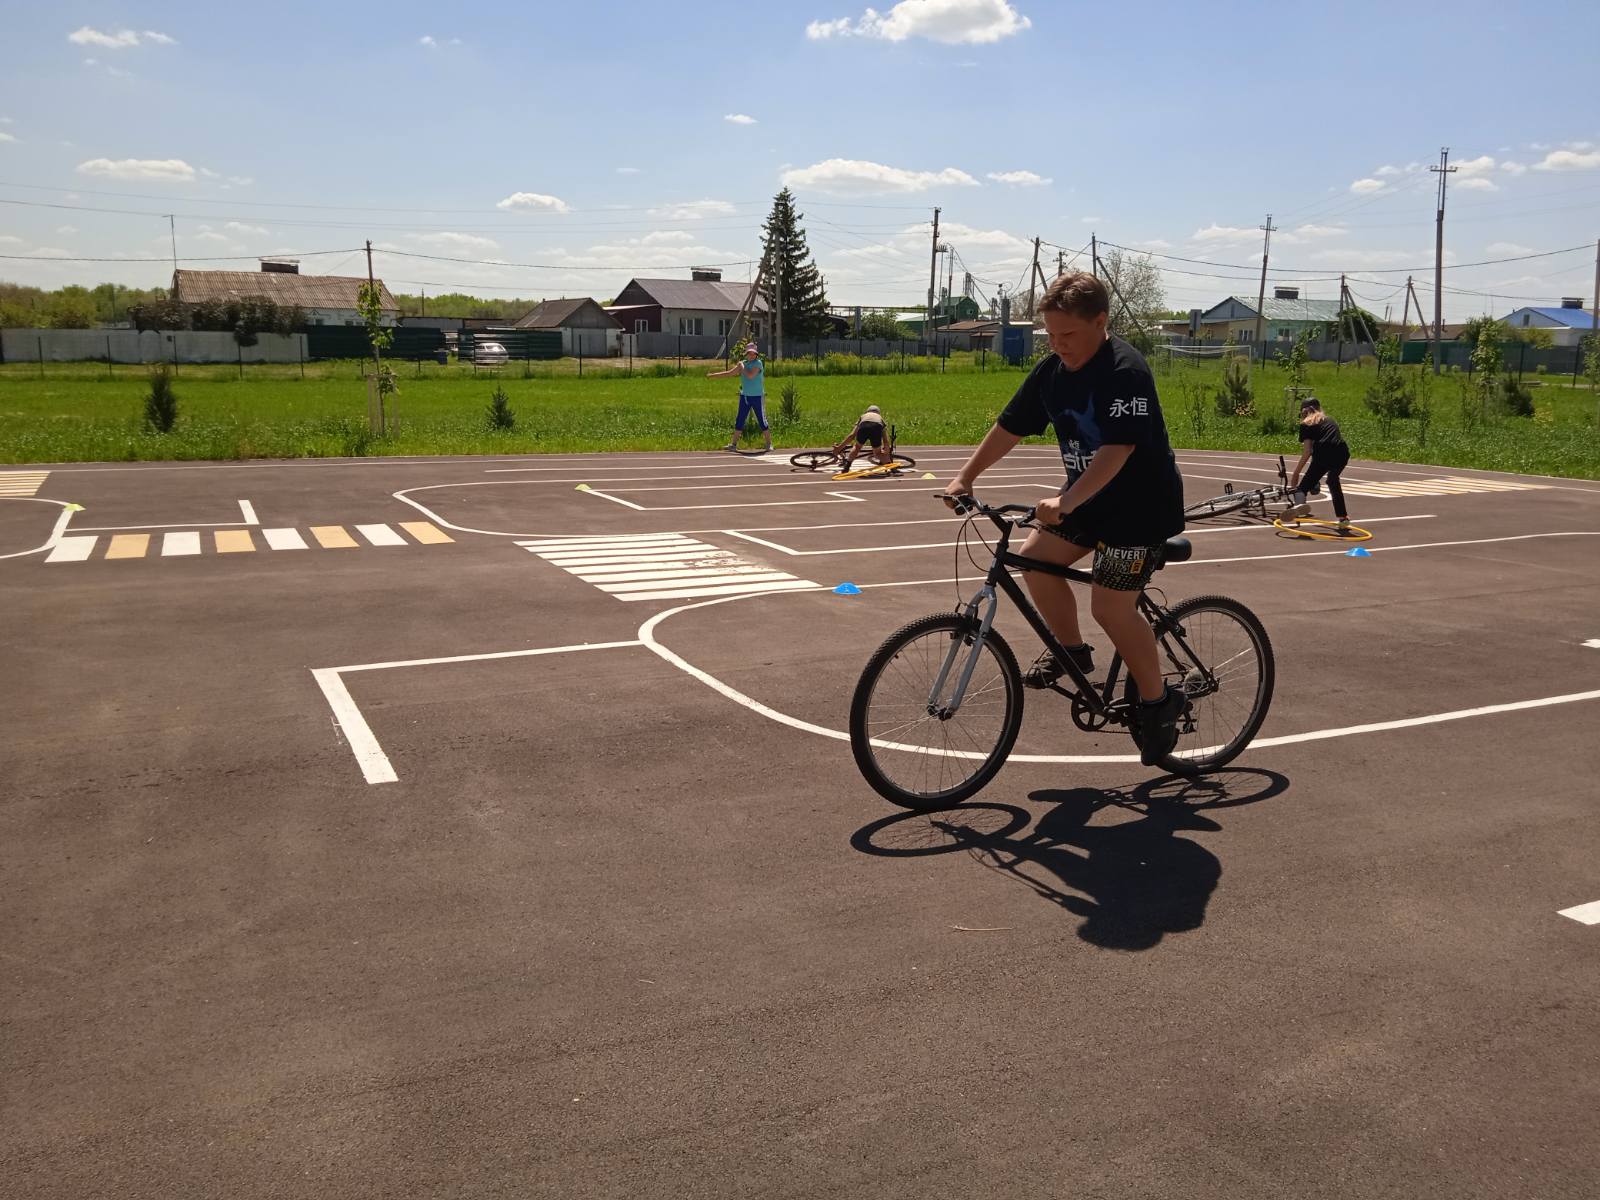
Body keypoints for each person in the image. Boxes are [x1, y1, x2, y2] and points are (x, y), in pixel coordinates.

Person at [942, 272, 1187, 767]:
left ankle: (1159, 702)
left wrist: (1067, 500)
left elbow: (1117, 449)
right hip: (1087, 503)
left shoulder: (1125, 371)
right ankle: (1072, 651)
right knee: (1034, 560)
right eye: (1050, 335)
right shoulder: (1052, 371)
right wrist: (965, 476)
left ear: (1101, 322)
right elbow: (1010, 426)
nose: (1058, 344)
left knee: (1111, 608)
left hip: (1139, 511)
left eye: (1068, 334)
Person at [1285, 398, 1351, 527]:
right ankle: (1343, 518)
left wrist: (1296, 473)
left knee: (1302, 488)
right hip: (1342, 453)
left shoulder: (1306, 423)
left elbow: (1307, 452)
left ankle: (1299, 508)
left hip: (1323, 454)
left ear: (1303, 412)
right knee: (1332, 481)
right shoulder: (1329, 420)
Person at [707, 341, 771, 452]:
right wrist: (713, 375)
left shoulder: (758, 363)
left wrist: (741, 366)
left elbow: (750, 376)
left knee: (762, 420)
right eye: (749, 353)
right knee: (740, 419)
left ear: (756, 354)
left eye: (753, 353)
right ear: (746, 354)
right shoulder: (743, 364)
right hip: (745, 396)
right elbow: (729, 373)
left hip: (757, 397)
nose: (751, 355)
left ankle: (769, 444)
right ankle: (733, 445)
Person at [835, 404, 889, 469]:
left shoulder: (863, 416)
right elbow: (885, 440)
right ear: (878, 413)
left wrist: (839, 448)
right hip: (876, 427)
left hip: (864, 425)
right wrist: (886, 451)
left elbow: (852, 435)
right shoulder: (880, 418)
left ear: (867, 411)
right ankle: (892, 467)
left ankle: (847, 465)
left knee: (857, 447)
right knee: (877, 453)